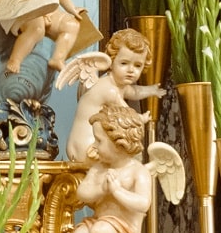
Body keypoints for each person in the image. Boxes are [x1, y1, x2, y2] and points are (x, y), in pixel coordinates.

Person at [57, 103, 154, 233]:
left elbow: (143, 203)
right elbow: (82, 193)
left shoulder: (137, 172)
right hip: (99, 223)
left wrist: (117, 191)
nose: (94, 145)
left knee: (102, 231)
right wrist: (102, 189)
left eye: (99, 141)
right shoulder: (100, 168)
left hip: (124, 232)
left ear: (119, 144)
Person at [59, 27, 162, 166]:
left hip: (84, 144)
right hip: (88, 147)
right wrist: (142, 118)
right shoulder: (109, 89)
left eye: (138, 65)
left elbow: (134, 92)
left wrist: (152, 90)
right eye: (124, 63)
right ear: (112, 61)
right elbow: (128, 118)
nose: (131, 70)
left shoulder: (117, 84)